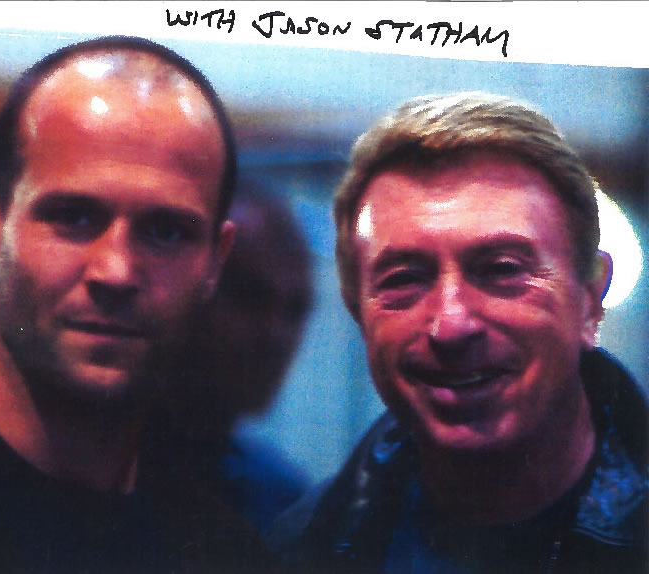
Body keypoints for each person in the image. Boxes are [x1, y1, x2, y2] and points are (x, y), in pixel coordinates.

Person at [272, 92, 648, 573]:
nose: (451, 326)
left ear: (590, 300)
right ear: (357, 312)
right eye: (405, 278)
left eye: (502, 269)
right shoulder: (298, 549)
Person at [0, 36, 271, 573]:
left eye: (166, 231)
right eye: (73, 217)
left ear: (216, 260)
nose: (116, 272)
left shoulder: (227, 552)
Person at [167, 185, 313, 534]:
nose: (275, 334)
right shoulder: (102, 470)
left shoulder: (282, 501)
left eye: (294, 310)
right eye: (249, 297)